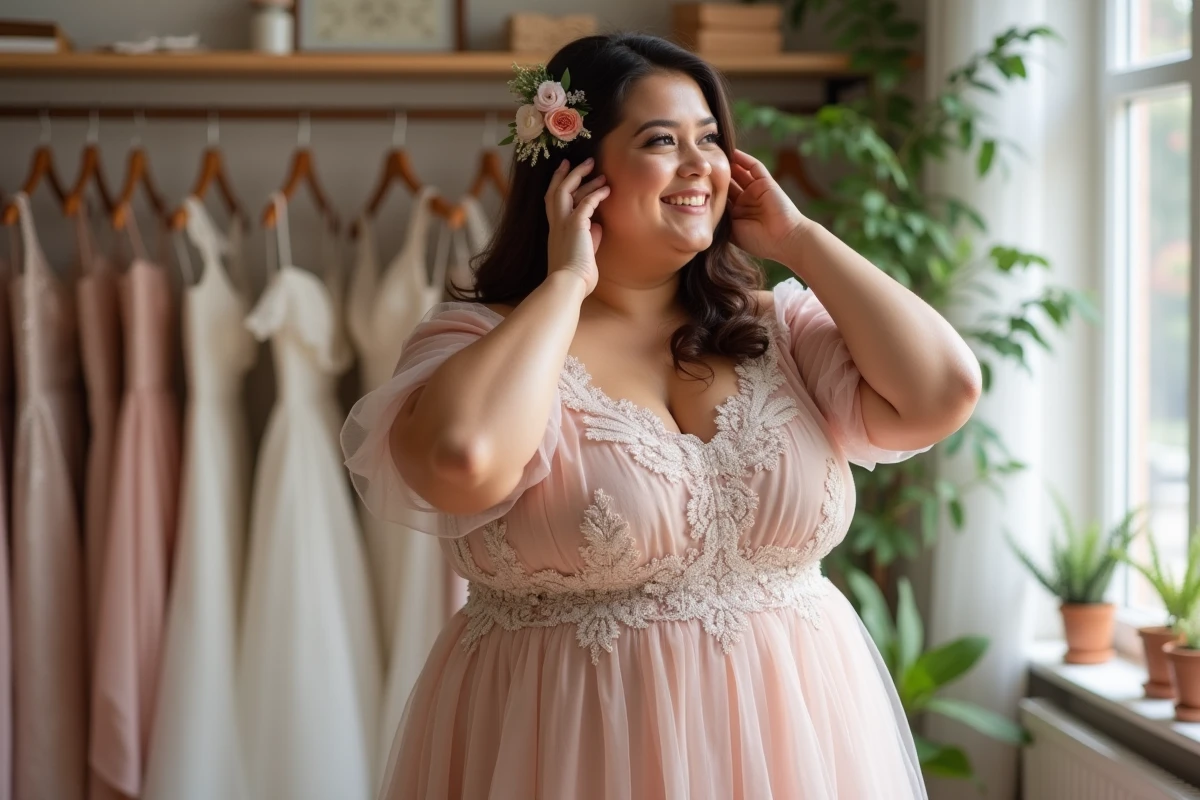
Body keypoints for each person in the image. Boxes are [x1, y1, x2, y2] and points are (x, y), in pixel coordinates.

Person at [342, 31, 980, 800]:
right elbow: (460, 461)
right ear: (578, 168)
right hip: (575, 746)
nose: (699, 165)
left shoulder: (781, 329)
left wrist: (801, 243)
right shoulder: (480, 343)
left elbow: (946, 392)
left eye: (709, 139)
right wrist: (566, 282)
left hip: (797, 745)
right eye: (661, 140)